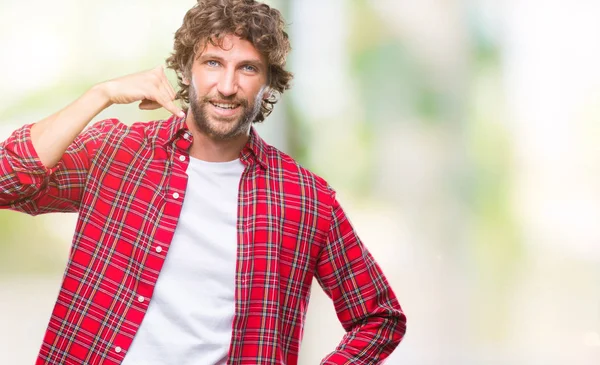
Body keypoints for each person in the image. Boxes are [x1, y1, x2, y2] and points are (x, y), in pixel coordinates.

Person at [0, 0, 406, 364]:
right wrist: (100, 94)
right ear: (186, 68)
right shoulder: (115, 152)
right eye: (213, 62)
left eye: (247, 68)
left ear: (268, 83)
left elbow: (379, 318)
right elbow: (7, 181)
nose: (227, 86)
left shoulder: (304, 197)